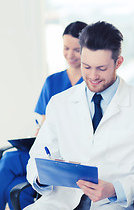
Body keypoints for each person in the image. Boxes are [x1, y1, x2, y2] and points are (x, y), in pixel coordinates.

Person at [25, 21, 134, 209]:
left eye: (101, 68)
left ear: (118, 62)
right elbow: (37, 157)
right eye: (86, 67)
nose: (93, 76)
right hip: (62, 200)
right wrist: (41, 175)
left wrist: (115, 189)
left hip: (112, 202)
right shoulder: (59, 103)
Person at [0, 21, 87, 210]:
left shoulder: (91, 85)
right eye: (66, 48)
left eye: (76, 50)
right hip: (45, 149)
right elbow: (43, 124)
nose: (70, 55)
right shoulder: (52, 81)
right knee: (8, 159)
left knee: (13, 185)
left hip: (70, 153)